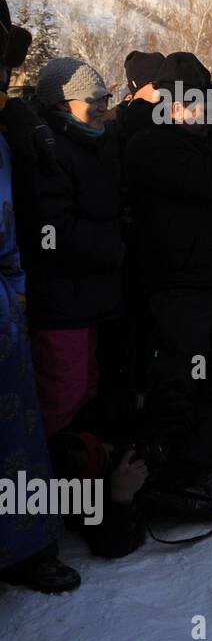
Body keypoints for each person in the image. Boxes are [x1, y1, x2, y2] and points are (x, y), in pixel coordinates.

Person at [125, 52, 212, 514]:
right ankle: (165, 473)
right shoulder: (150, 144)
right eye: (190, 104)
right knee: (178, 379)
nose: (200, 112)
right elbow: (205, 182)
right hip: (180, 284)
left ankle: (196, 457)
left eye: (204, 103)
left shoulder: (206, 143)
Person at [0, 0, 79, 593]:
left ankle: (26, 546)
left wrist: (19, 296)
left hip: (4, 305)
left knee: (17, 435)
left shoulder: (11, 134)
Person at [18, 58, 125, 440]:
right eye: (92, 99)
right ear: (63, 104)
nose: (102, 106)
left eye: (105, 97)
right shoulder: (48, 151)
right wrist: (113, 246)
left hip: (90, 295)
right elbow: (48, 230)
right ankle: (36, 475)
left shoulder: (93, 143)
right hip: (59, 299)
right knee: (63, 392)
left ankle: (76, 474)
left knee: (87, 388)